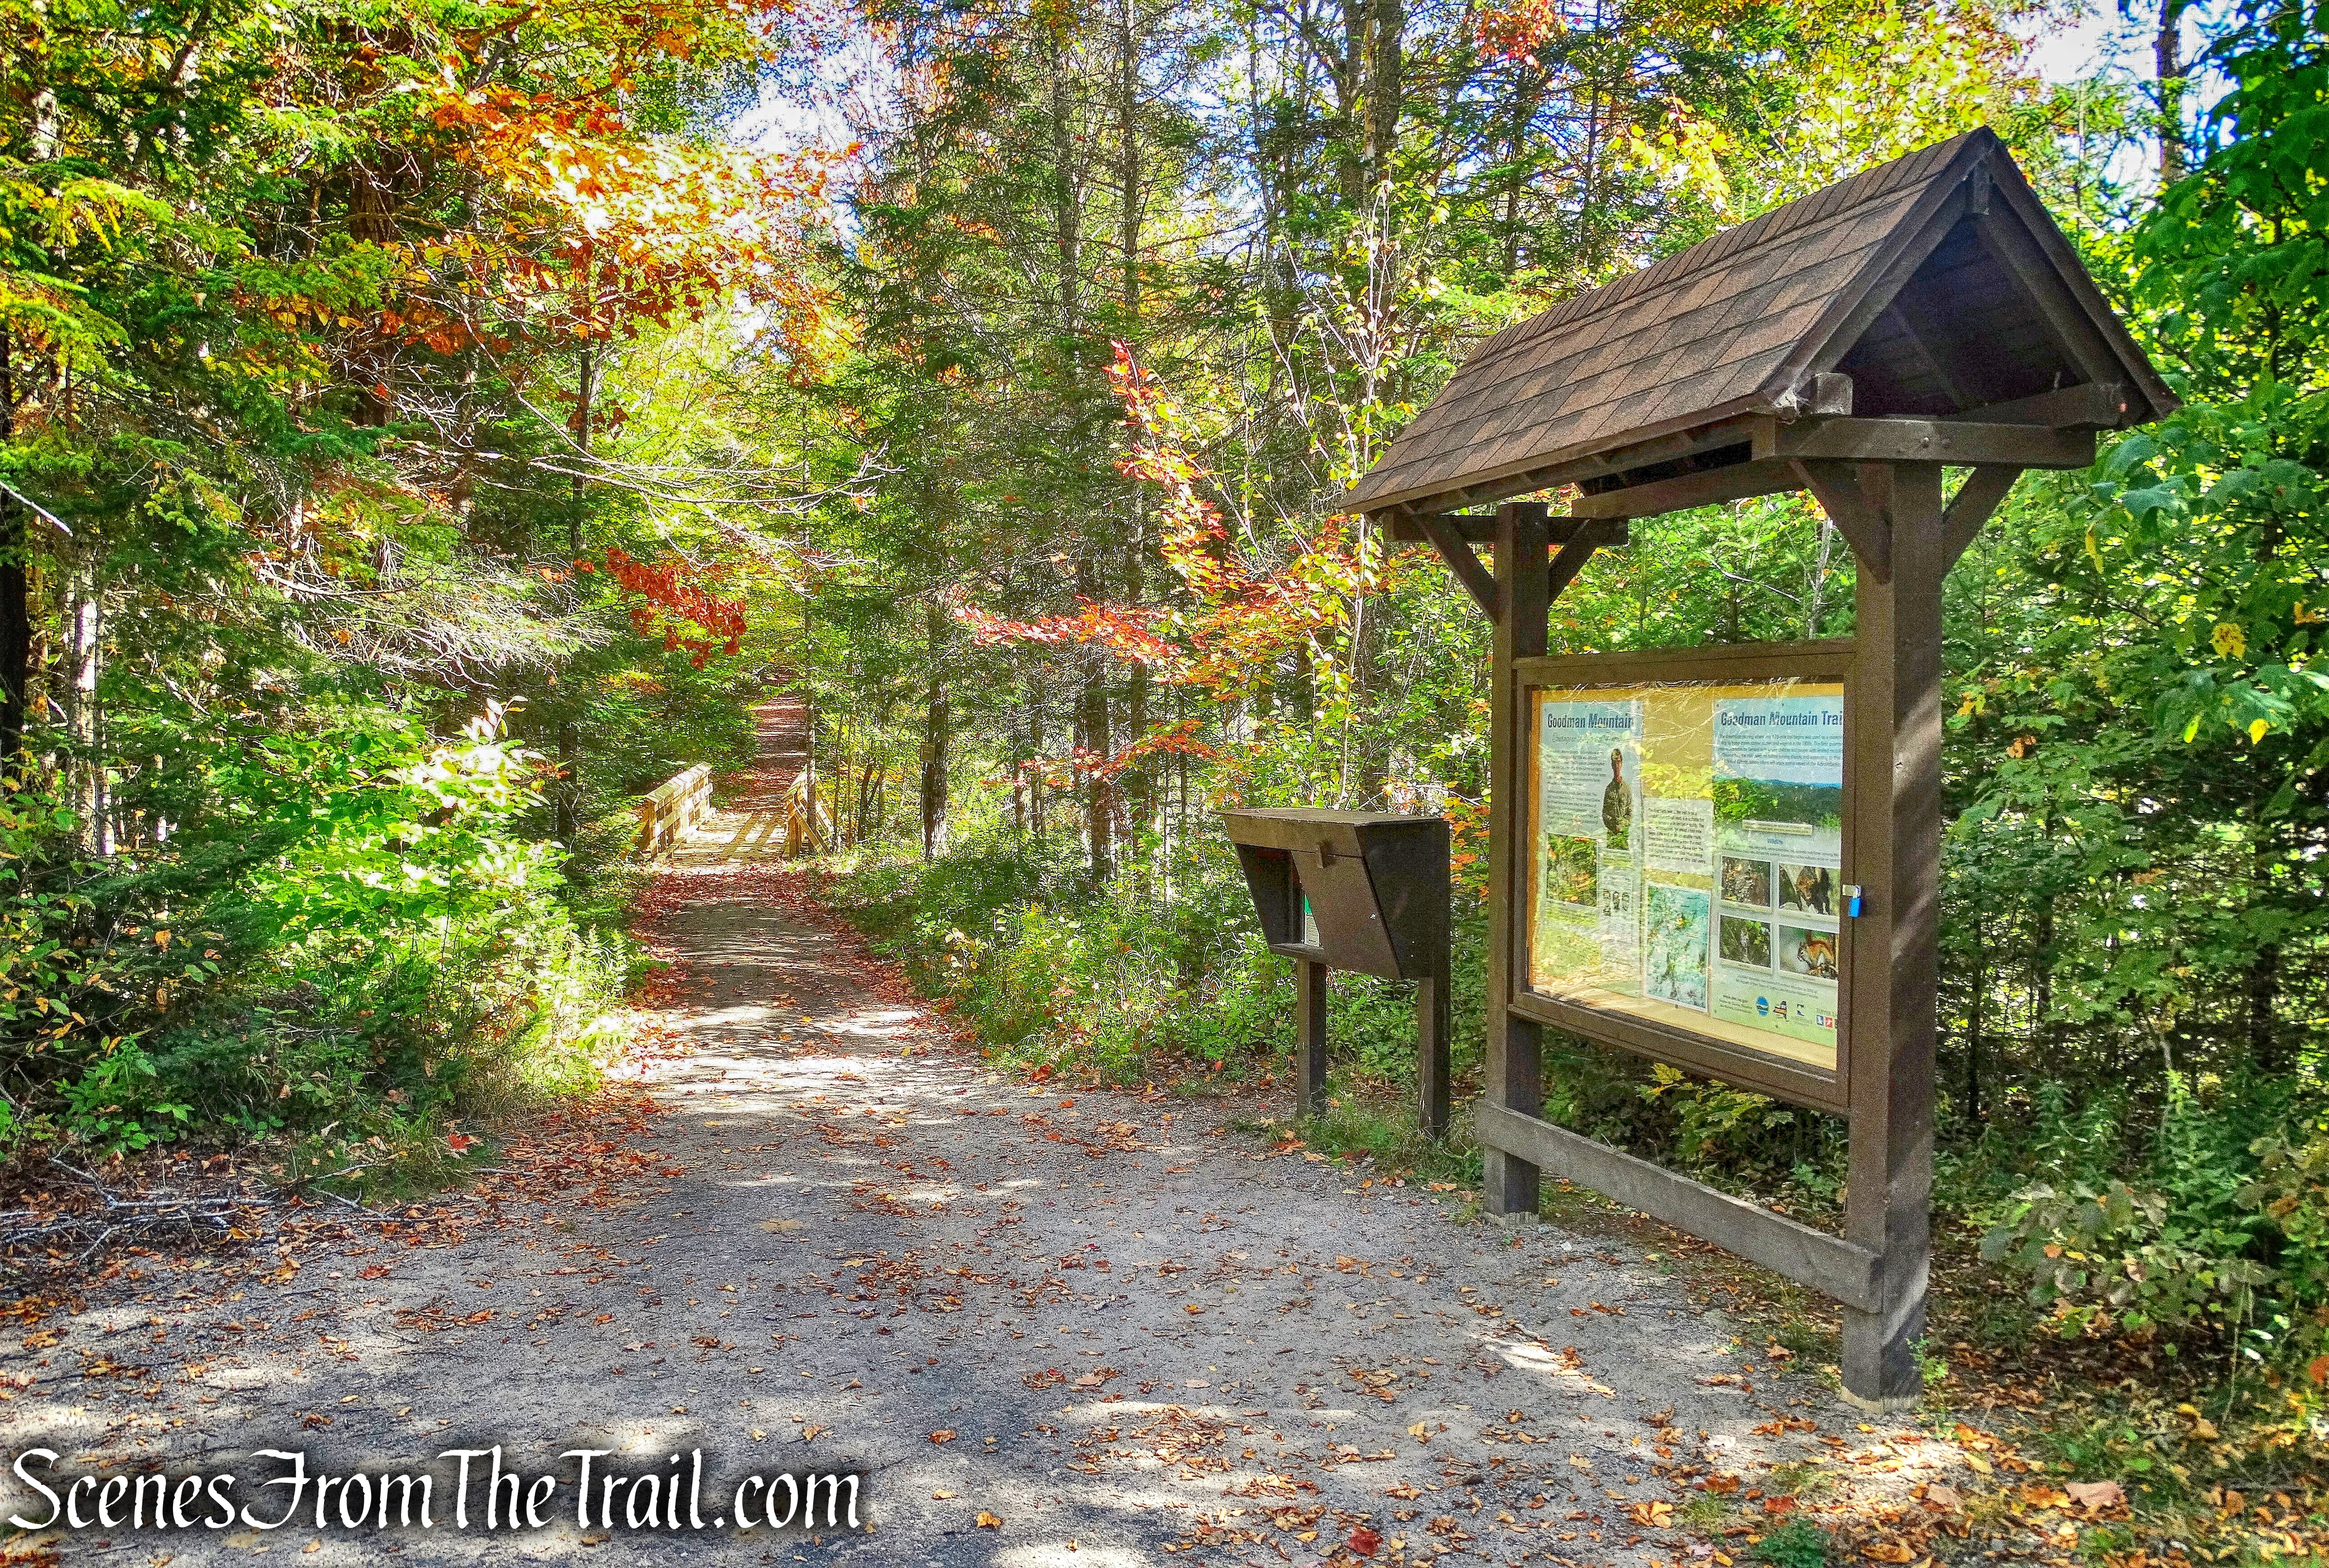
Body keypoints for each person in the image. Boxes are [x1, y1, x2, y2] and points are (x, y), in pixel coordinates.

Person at [1601, 748, 1631, 848]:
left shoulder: (1627, 789)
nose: (1617, 766)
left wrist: (1622, 826)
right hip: (1611, 836)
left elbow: (1630, 812)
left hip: (1624, 835)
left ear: (1622, 764)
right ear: (1612, 765)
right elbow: (1605, 813)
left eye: (1618, 762)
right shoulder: (1609, 789)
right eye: (1614, 763)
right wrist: (1614, 827)